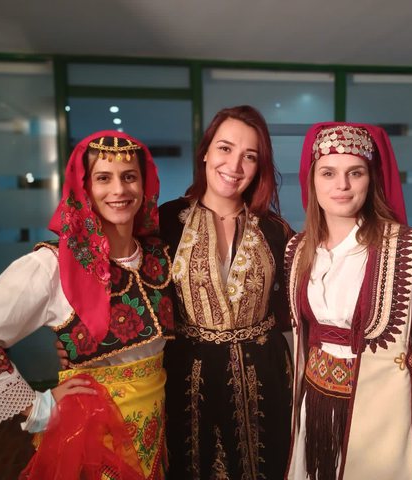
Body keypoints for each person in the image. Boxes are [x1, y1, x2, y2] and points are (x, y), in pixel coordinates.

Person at [0, 131, 174, 479]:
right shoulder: (51, 265)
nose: (119, 189)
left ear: (144, 186)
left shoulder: (159, 257)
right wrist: (36, 406)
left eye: (129, 176)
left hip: (154, 428)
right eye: (103, 178)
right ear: (83, 189)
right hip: (92, 434)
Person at [285, 122, 412, 480]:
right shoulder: (297, 249)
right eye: (328, 173)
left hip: (387, 415)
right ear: (312, 181)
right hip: (315, 407)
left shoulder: (409, 249)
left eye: (355, 173)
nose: (342, 185)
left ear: (370, 180)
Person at [159, 105, 294, 479]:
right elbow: (132, 289)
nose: (234, 165)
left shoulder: (277, 231)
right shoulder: (164, 221)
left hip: (263, 378)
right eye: (225, 148)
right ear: (205, 151)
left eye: (249, 156)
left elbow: (302, 303)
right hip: (186, 377)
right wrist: (83, 340)